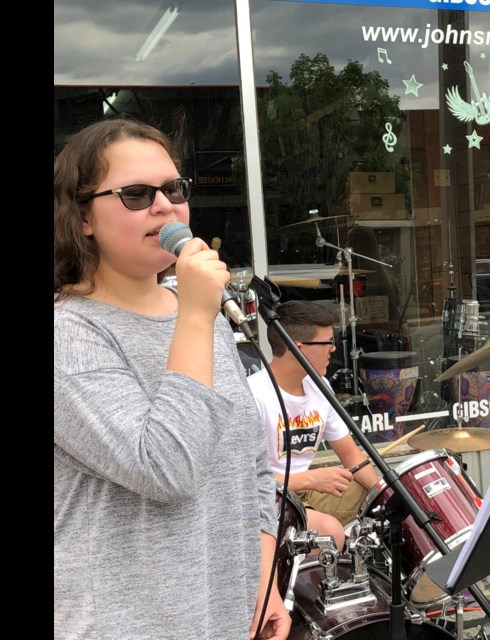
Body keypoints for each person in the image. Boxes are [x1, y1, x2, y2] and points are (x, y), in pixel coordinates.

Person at [54, 119, 290, 639]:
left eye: (174, 189)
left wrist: (263, 577)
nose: (164, 206)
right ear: (83, 216)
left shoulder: (196, 311)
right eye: (136, 194)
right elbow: (166, 469)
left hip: (224, 617)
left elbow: (252, 462)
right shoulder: (68, 334)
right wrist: (197, 317)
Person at [247, 301, 379, 549]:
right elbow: (246, 481)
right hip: (266, 500)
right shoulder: (253, 395)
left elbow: (352, 456)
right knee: (330, 531)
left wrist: (388, 493)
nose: (333, 349)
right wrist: (310, 479)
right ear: (298, 348)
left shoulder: (321, 387)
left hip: (306, 492)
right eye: (328, 342)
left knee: (384, 508)